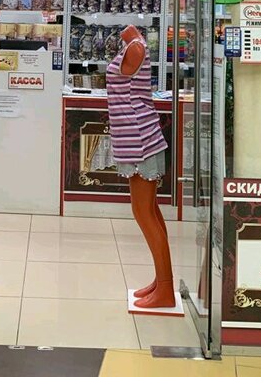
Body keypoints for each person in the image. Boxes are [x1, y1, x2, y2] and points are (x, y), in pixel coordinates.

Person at [106, 24, 175, 308]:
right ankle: (161, 281)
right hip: (134, 136)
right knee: (150, 212)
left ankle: (166, 288)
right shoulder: (134, 45)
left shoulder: (135, 48)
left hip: (139, 138)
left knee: (143, 213)